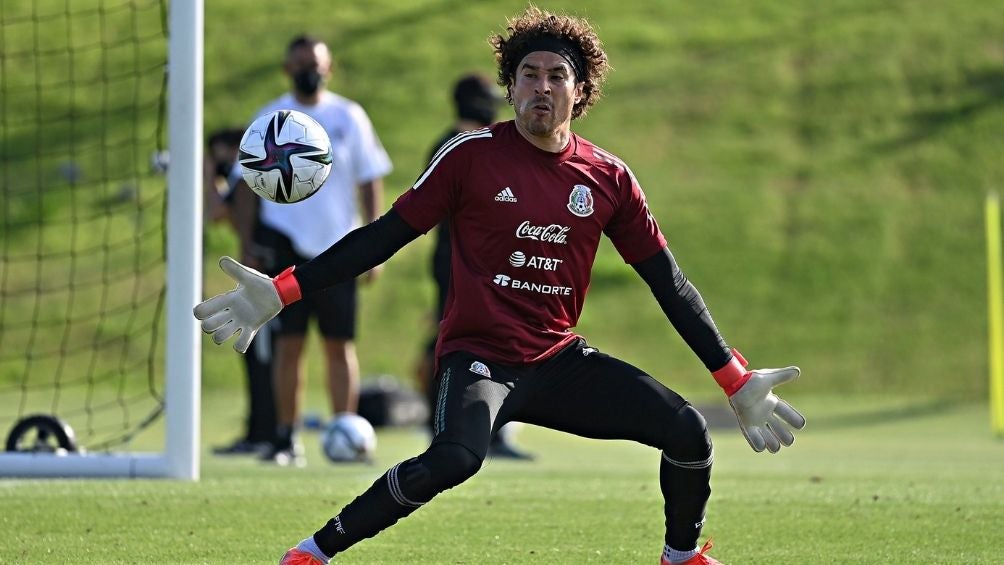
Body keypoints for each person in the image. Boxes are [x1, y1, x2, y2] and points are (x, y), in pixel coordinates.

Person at [195, 7, 805, 564]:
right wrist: (282, 289)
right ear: (509, 88)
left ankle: (681, 558)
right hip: (479, 358)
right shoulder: (470, 156)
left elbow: (668, 283)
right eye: (528, 74)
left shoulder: (609, 179)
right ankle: (313, 553)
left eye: (556, 75)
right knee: (456, 459)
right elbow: (383, 236)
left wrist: (733, 378)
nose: (542, 86)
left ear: (581, 91)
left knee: (687, 432)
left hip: (559, 358)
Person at [228, 35, 392, 466]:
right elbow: (242, 184)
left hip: (339, 248)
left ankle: (347, 434)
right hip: (284, 246)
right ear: (287, 69)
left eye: (315, 63)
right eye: (300, 63)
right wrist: (247, 243)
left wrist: (373, 244)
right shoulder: (269, 118)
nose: (309, 70)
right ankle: (286, 438)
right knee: (290, 346)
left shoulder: (348, 116)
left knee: (340, 345)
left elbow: (370, 177)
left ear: (330, 67)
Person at [415, 72, 534, 460]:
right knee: (460, 342)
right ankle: (453, 426)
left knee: (496, 340)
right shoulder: (453, 147)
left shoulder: (491, 146)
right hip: (458, 264)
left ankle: (490, 428)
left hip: (496, 264)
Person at [202, 127, 279, 456]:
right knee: (259, 357)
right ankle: (260, 431)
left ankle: (268, 433)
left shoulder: (250, 175)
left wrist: (206, 174)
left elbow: (216, 213)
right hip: (265, 274)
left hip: (267, 276)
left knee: (265, 356)